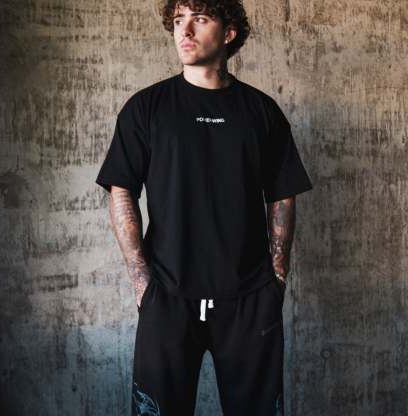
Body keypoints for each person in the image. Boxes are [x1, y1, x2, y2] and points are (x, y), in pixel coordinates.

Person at [95, 1, 313, 415]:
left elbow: (283, 194)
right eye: (179, 20)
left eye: (200, 19)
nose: (185, 31)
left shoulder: (261, 111)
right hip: (168, 296)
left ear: (229, 33)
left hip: (249, 299)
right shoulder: (146, 108)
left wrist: (276, 278)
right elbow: (121, 189)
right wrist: (143, 285)